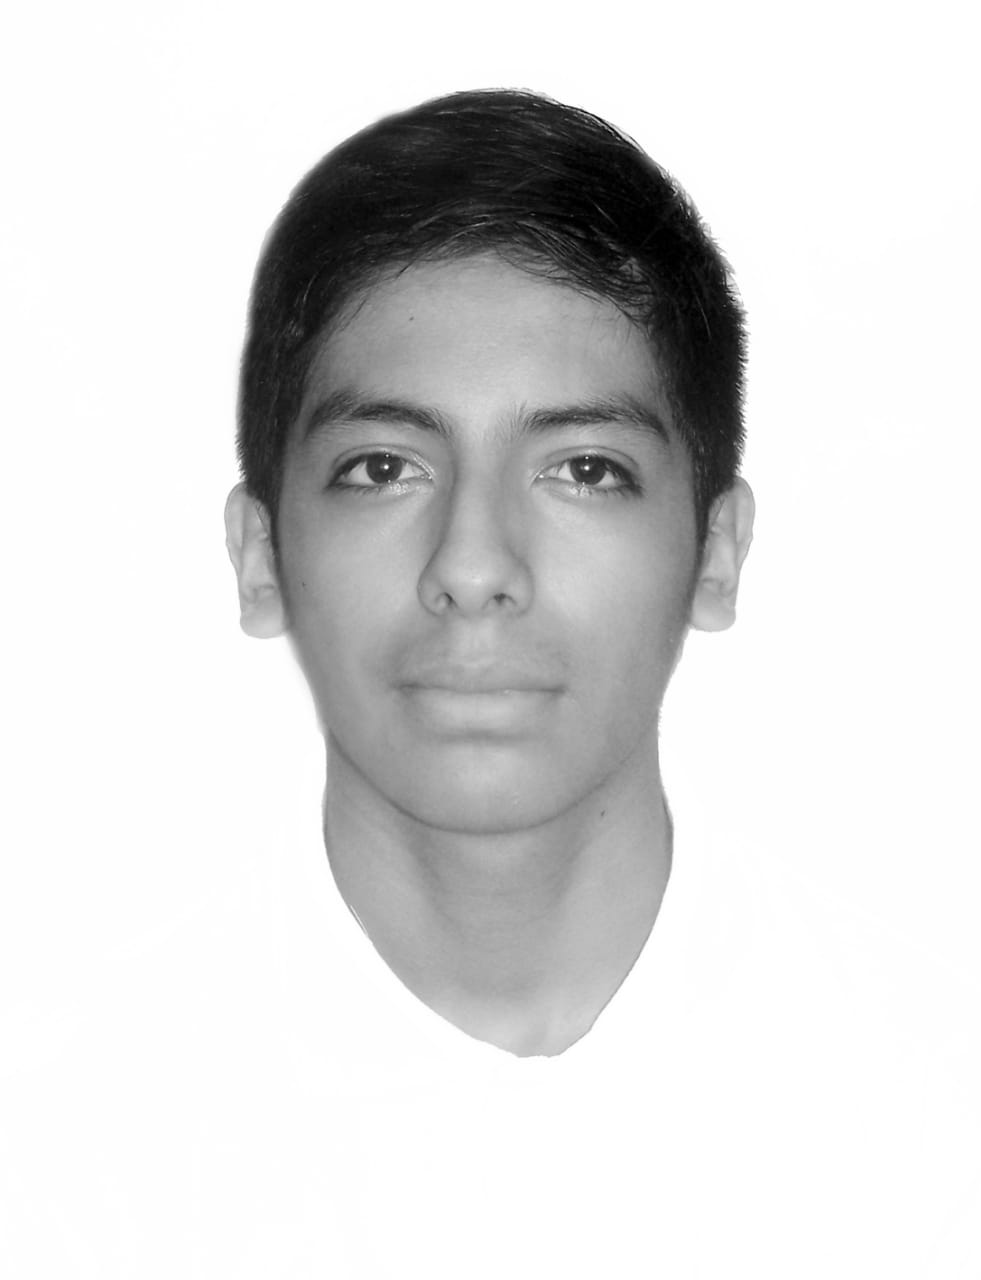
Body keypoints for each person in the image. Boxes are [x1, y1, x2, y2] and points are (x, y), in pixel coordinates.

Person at [224, 88, 755, 1058]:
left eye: (585, 469)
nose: (472, 568)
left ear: (715, 550)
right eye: (380, 468)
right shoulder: (52, 1120)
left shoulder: (934, 1097)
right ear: (261, 555)